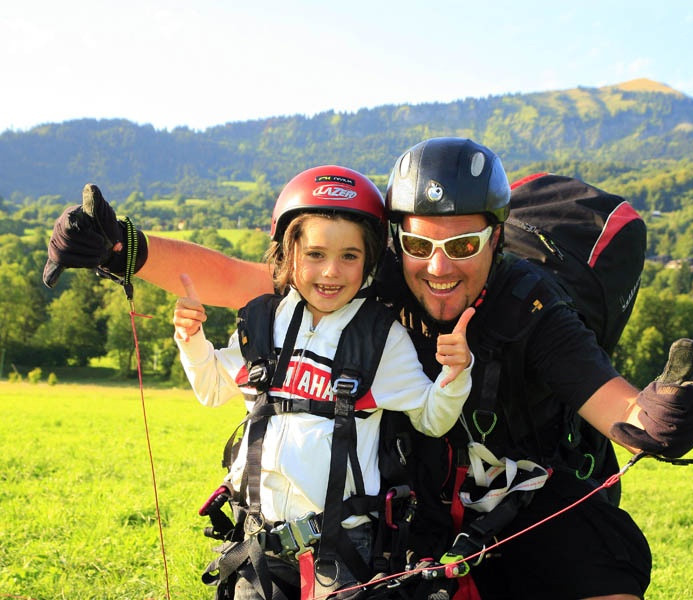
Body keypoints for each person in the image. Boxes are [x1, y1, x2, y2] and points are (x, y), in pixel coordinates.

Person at [44, 138, 693, 600]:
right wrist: (124, 248)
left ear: (497, 238)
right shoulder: (380, 279)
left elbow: (611, 402)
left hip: (529, 488)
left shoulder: (531, 305)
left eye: (464, 245)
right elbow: (252, 282)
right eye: (419, 243)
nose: (439, 265)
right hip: (420, 492)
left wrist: (656, 416)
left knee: (597, 562)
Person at [172, 165, 475, 599]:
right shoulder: (263, 320)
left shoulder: (379, 336)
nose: (331, 272)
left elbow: (432, 418)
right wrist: (191, 339)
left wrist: (454, 374)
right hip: (257, 545)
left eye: (349, 256)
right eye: (315, 254)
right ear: (287, 255)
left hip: (342, 550)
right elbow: (213, 388)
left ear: (370, 261)